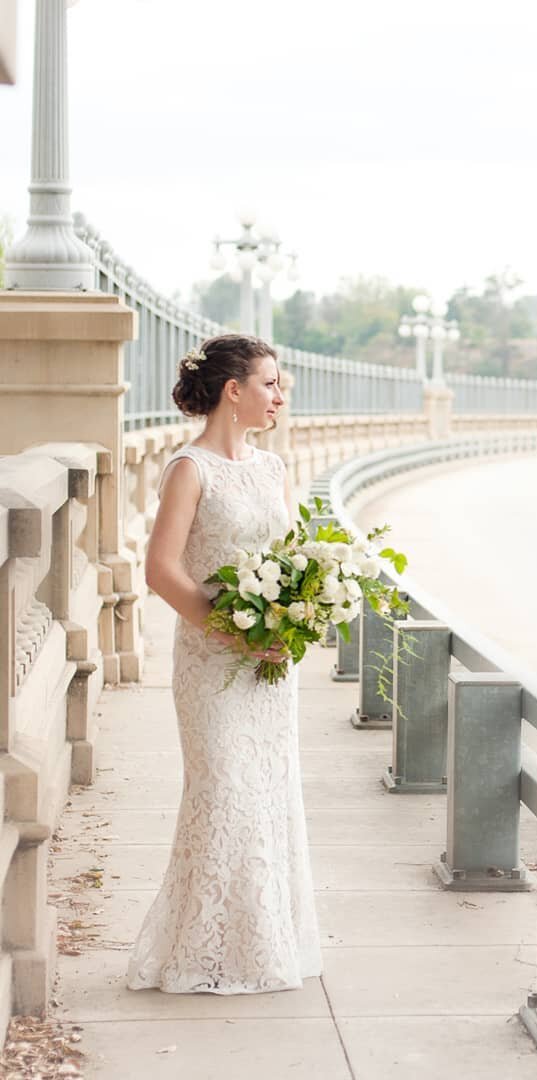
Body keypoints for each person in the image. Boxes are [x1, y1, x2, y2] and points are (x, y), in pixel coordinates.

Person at [126, 334, 321, 994]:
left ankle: (256, 947)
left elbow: (287, 557)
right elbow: (160, 570)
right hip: (211, 662)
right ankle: (202, 953)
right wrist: (230, 632)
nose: (280, 396)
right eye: (270, 384)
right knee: (223, 795)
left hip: (269, 662)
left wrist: (298, 613)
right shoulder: (190, 469)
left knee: (267, 794)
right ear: (233, 392)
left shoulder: (271, 468)